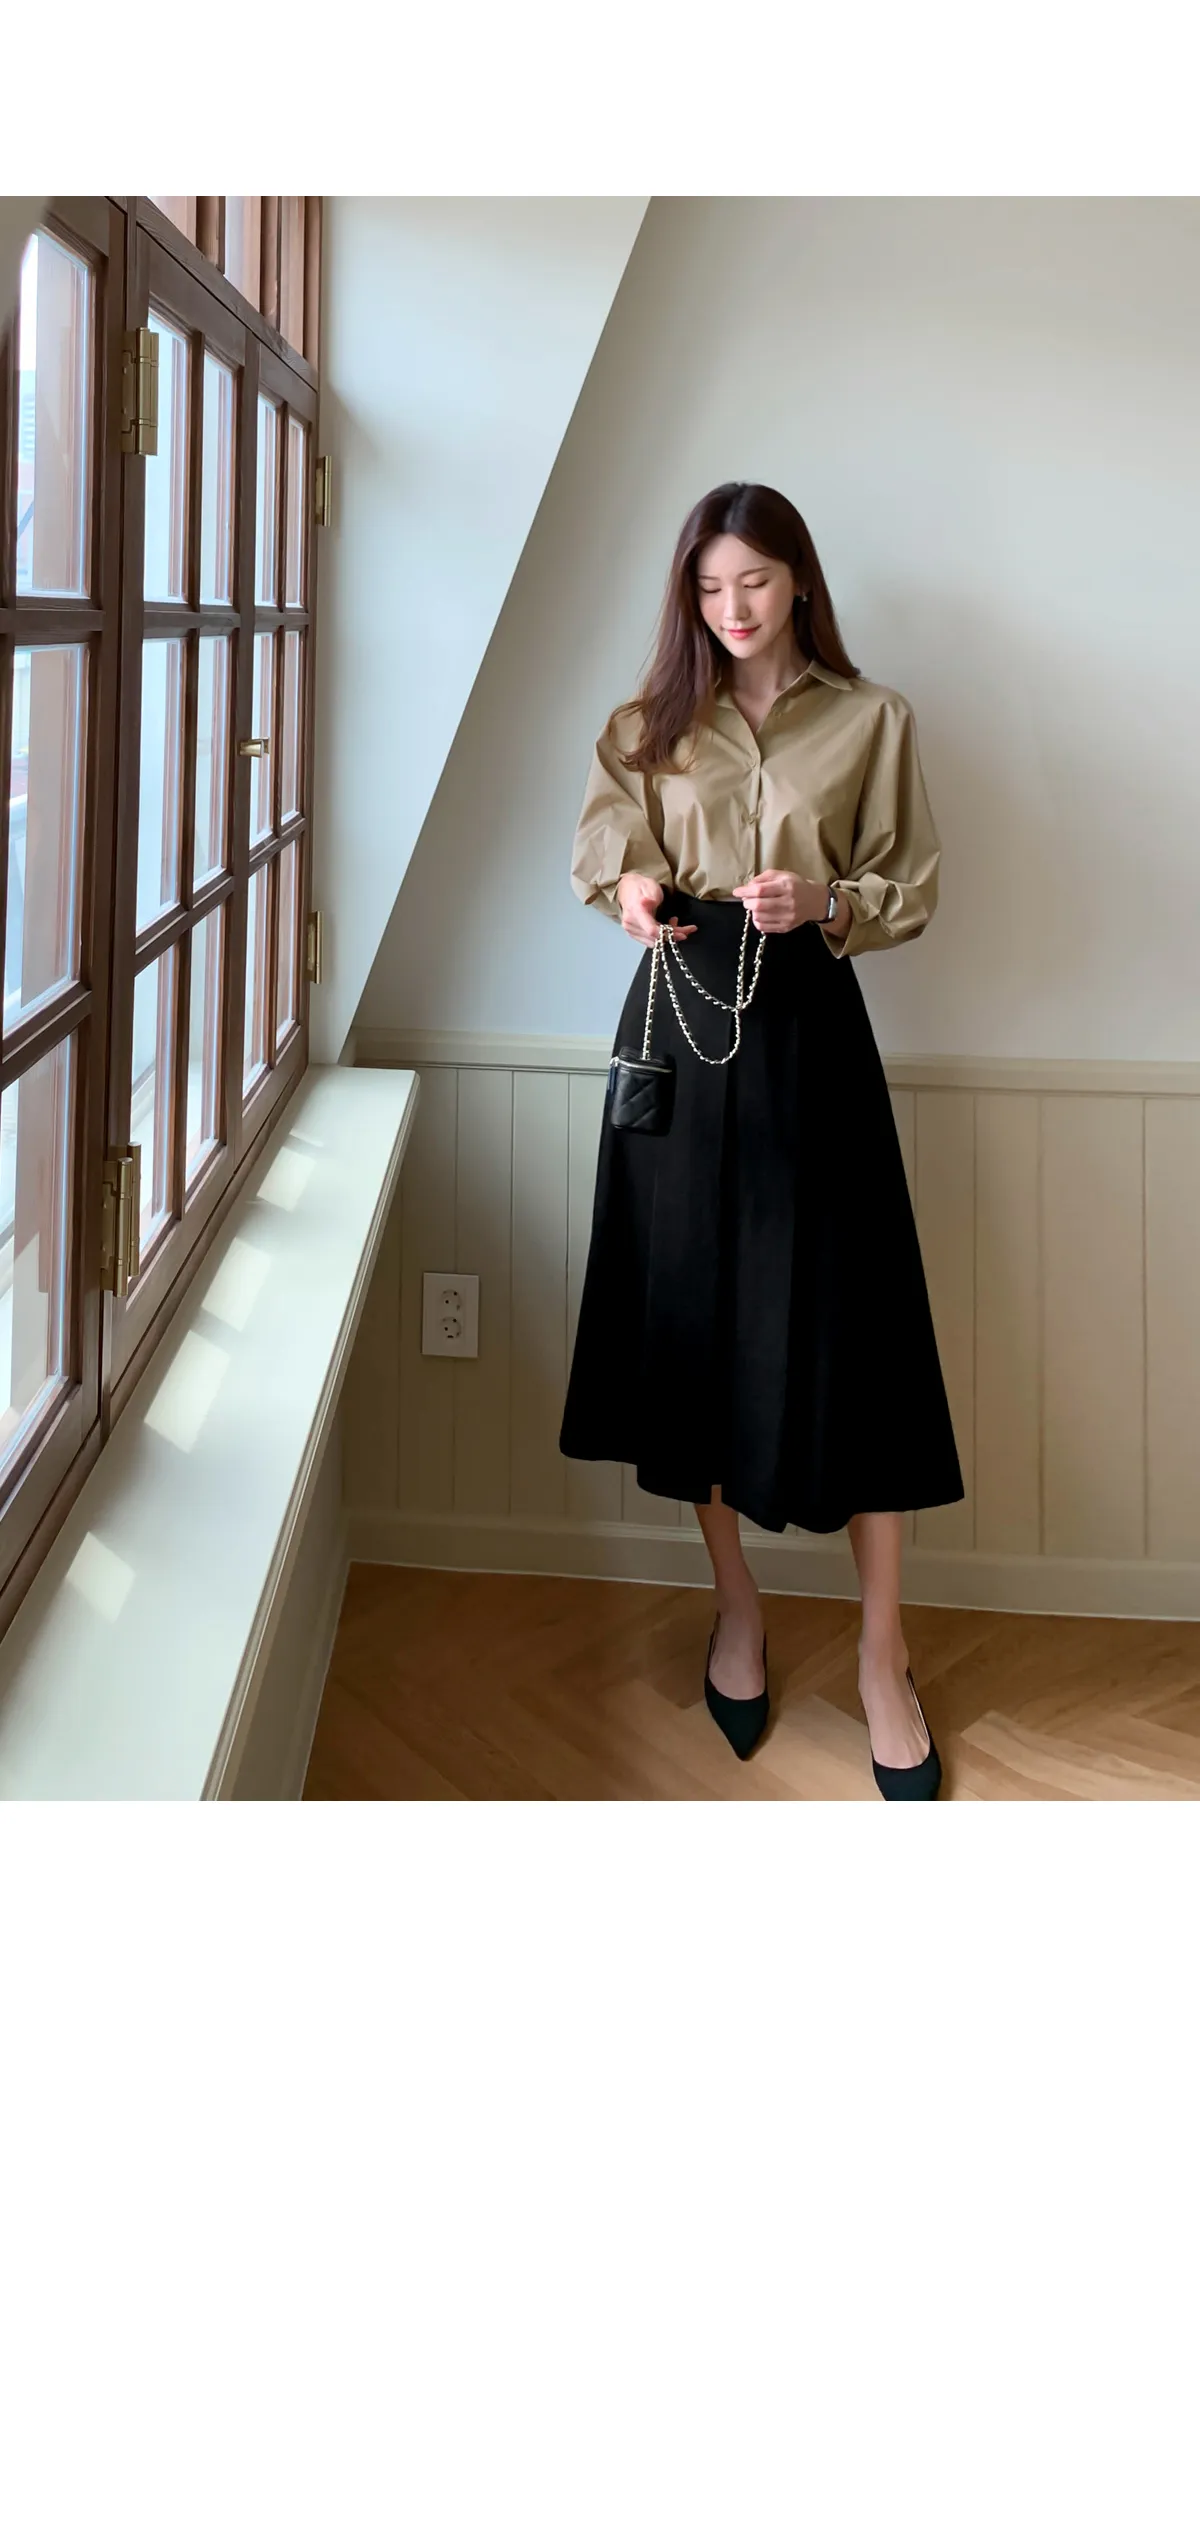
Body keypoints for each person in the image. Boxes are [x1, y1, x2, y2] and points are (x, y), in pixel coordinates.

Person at [558, 481, 964, 1797]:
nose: (731, 608)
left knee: (859, 1338)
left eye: (754, 582)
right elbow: (605, 844)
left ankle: (883, 1654)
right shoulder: (647, 725)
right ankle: (736, 1604)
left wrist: (828, 899)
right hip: (680, 1027)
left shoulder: (871, 718)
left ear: (799, 584)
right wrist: (631, 885)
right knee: (693, 1327)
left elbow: (912, 879)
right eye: (709, 586)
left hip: (808, 1035)